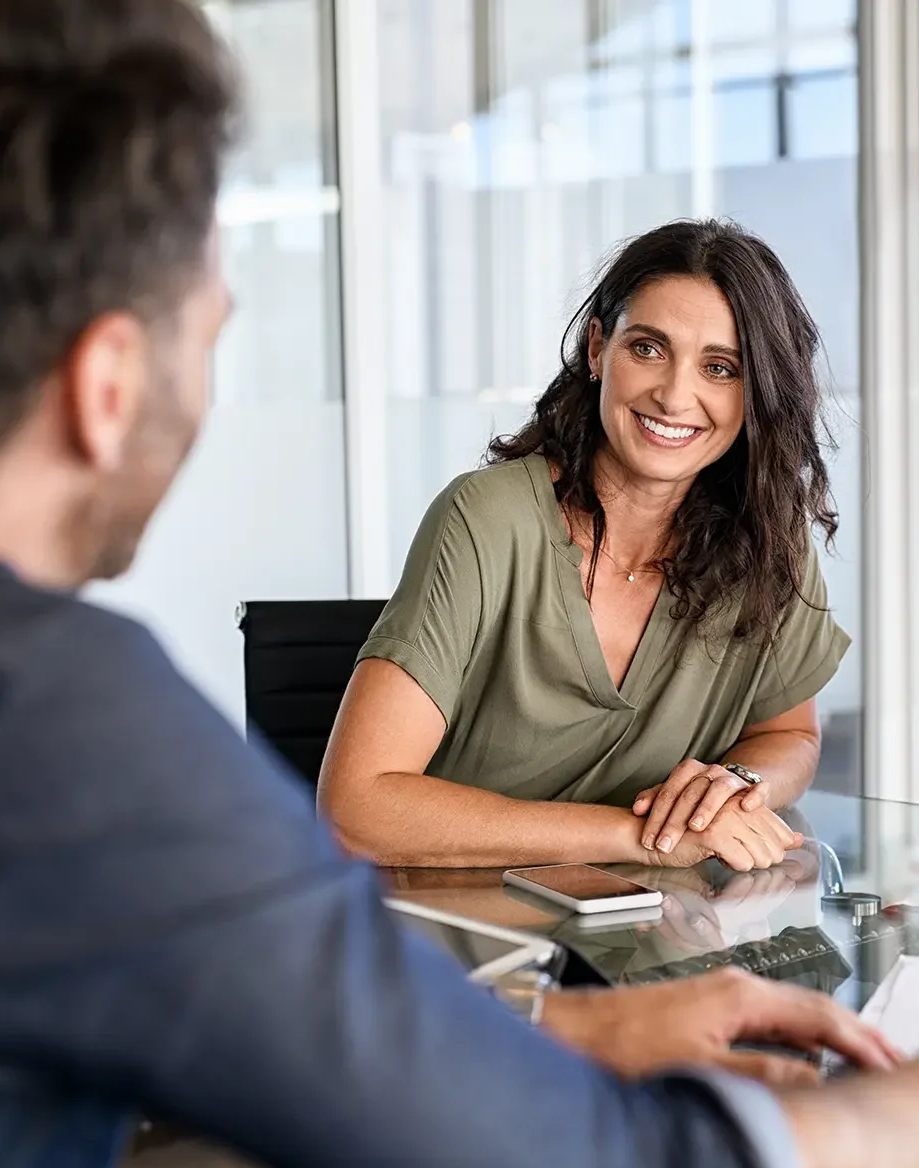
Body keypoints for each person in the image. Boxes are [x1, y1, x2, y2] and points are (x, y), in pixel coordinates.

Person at [0, 1, 919, 1168]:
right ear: (107, 385)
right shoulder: (45, 727)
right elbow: (597, 1161)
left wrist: (561, 1024)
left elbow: (229, 1030)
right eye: (211, 328)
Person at [320, 220, 849, 871]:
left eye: (720, 368)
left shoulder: (768, 539)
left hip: (658, 924)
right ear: (598, 350)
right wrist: (637, 837)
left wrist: (735, 785)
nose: (674, 395)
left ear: (757, 391)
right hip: (455, 919)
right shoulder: (487, 519)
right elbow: (356, 810)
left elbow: (789, 733)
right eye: (648, 349)